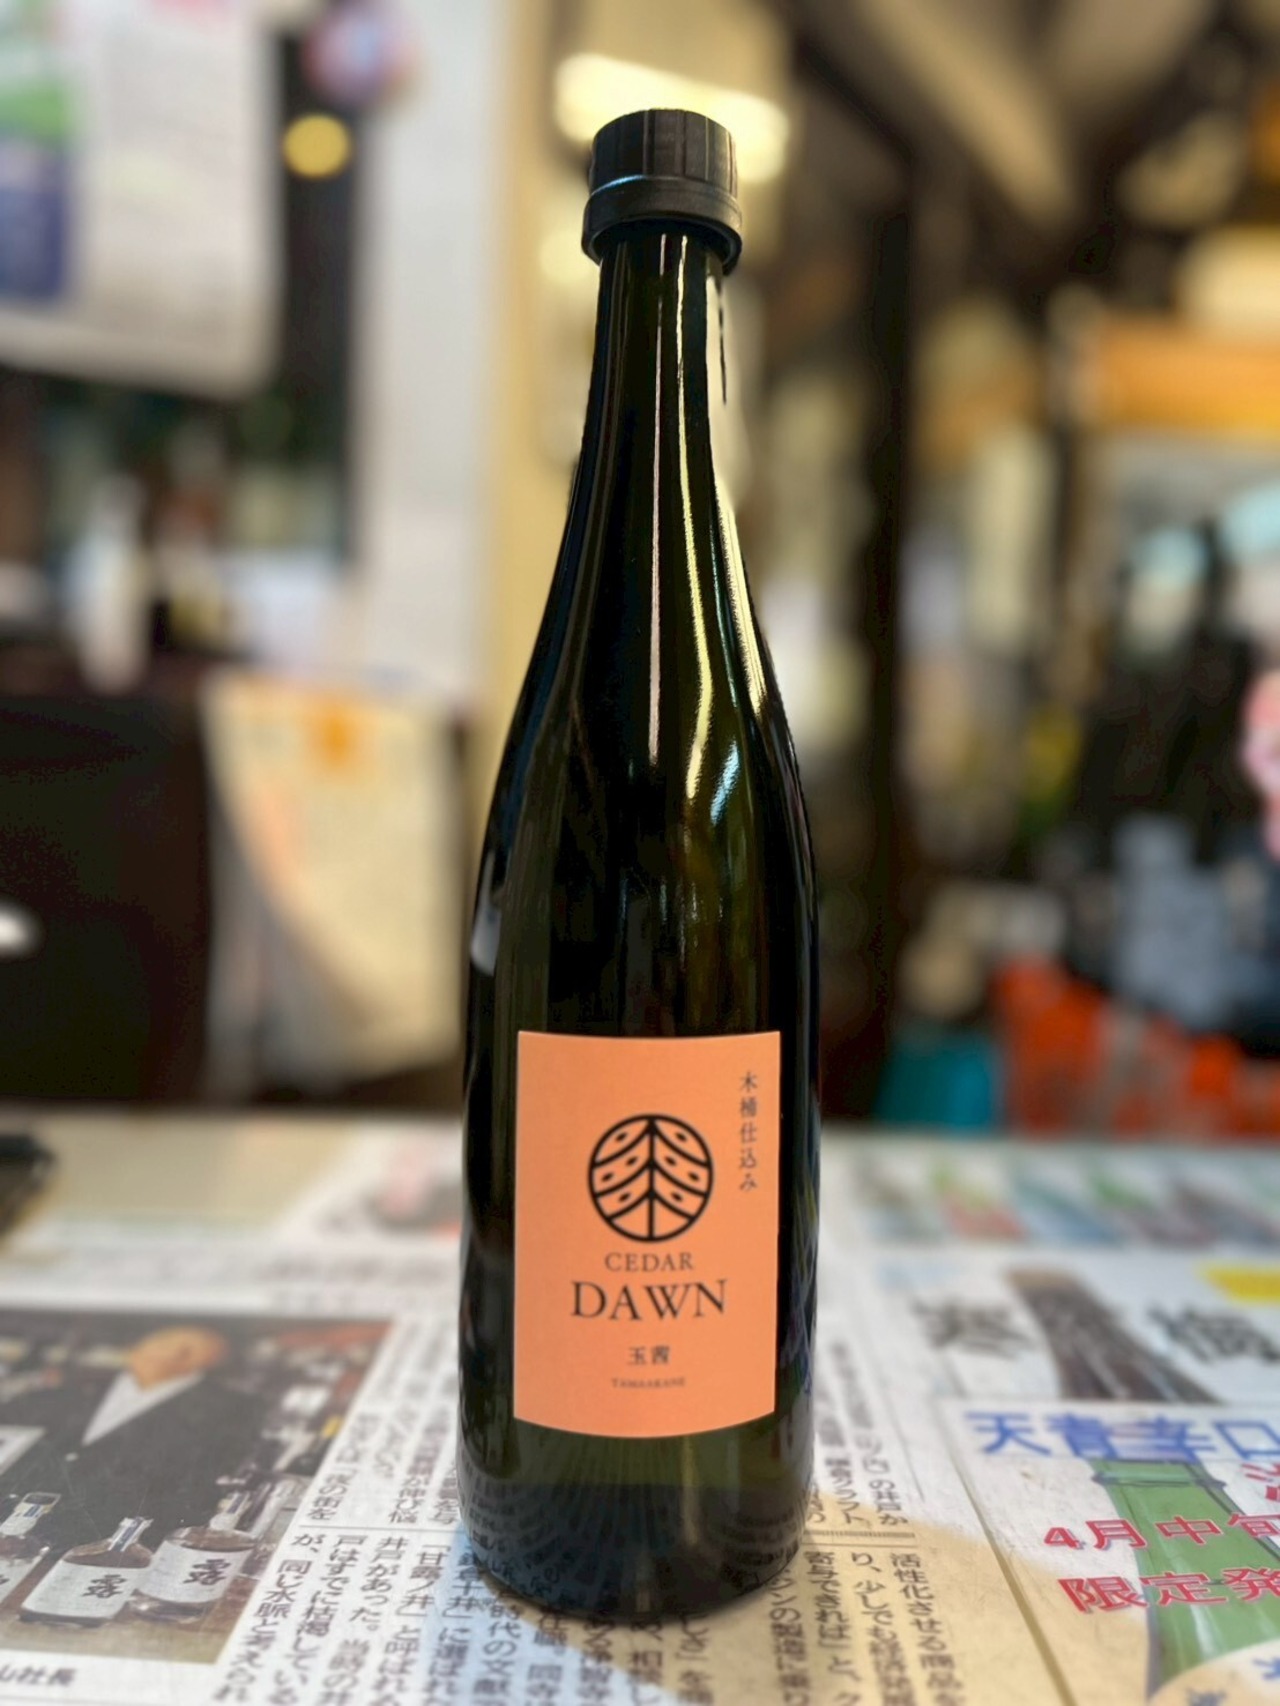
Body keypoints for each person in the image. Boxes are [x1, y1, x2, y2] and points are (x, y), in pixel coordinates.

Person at [0, 1324, 266, 1553]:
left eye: (190, 1349)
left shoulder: (229, 1411)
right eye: (162, 1342)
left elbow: (197, 1489)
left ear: (215, 1361)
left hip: (99, 1546)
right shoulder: (69, 1390)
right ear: (136, 1347)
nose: (171, 1352)